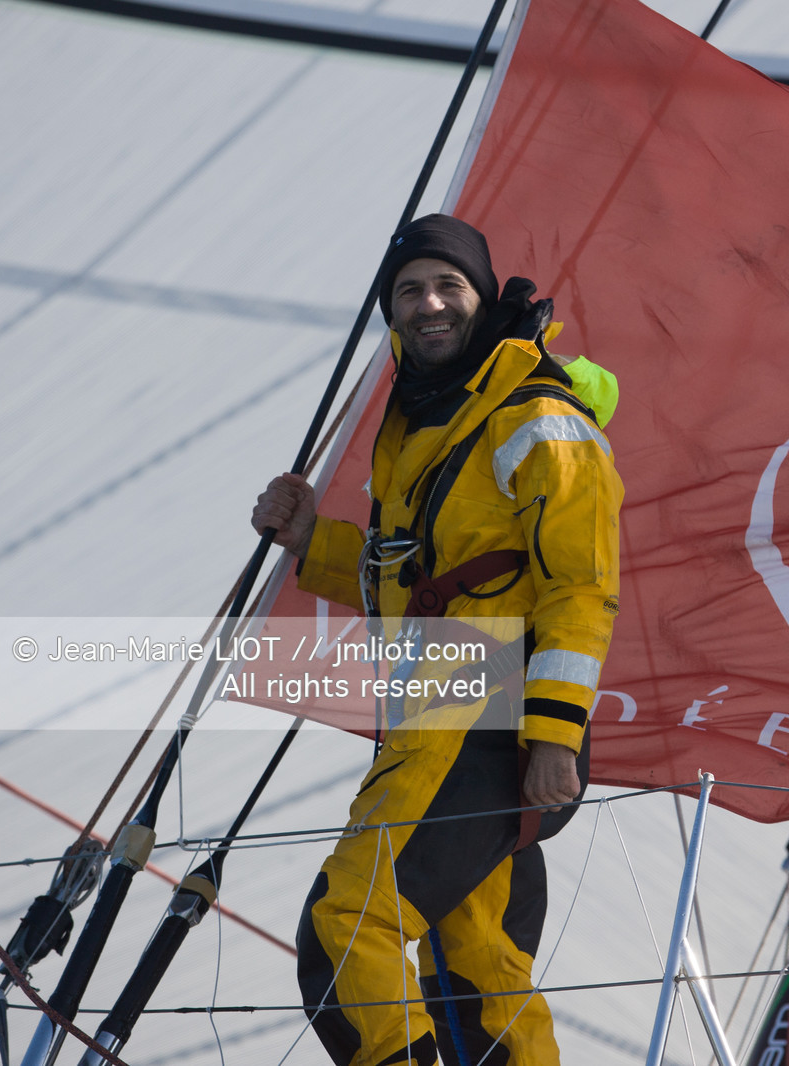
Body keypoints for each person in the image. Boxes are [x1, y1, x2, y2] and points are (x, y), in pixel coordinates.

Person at [252, 213, 623, 1066]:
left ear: (482, 296)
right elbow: (418, 588)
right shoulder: (420, 418)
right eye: (410, 290)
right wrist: (314, 540)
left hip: (495, 722)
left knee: (348, 928)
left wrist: (555, 739)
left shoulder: (539, 420)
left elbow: (581, 587)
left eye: (448, 286)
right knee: (476, 963)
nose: (430, 305)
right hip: (436, 718)